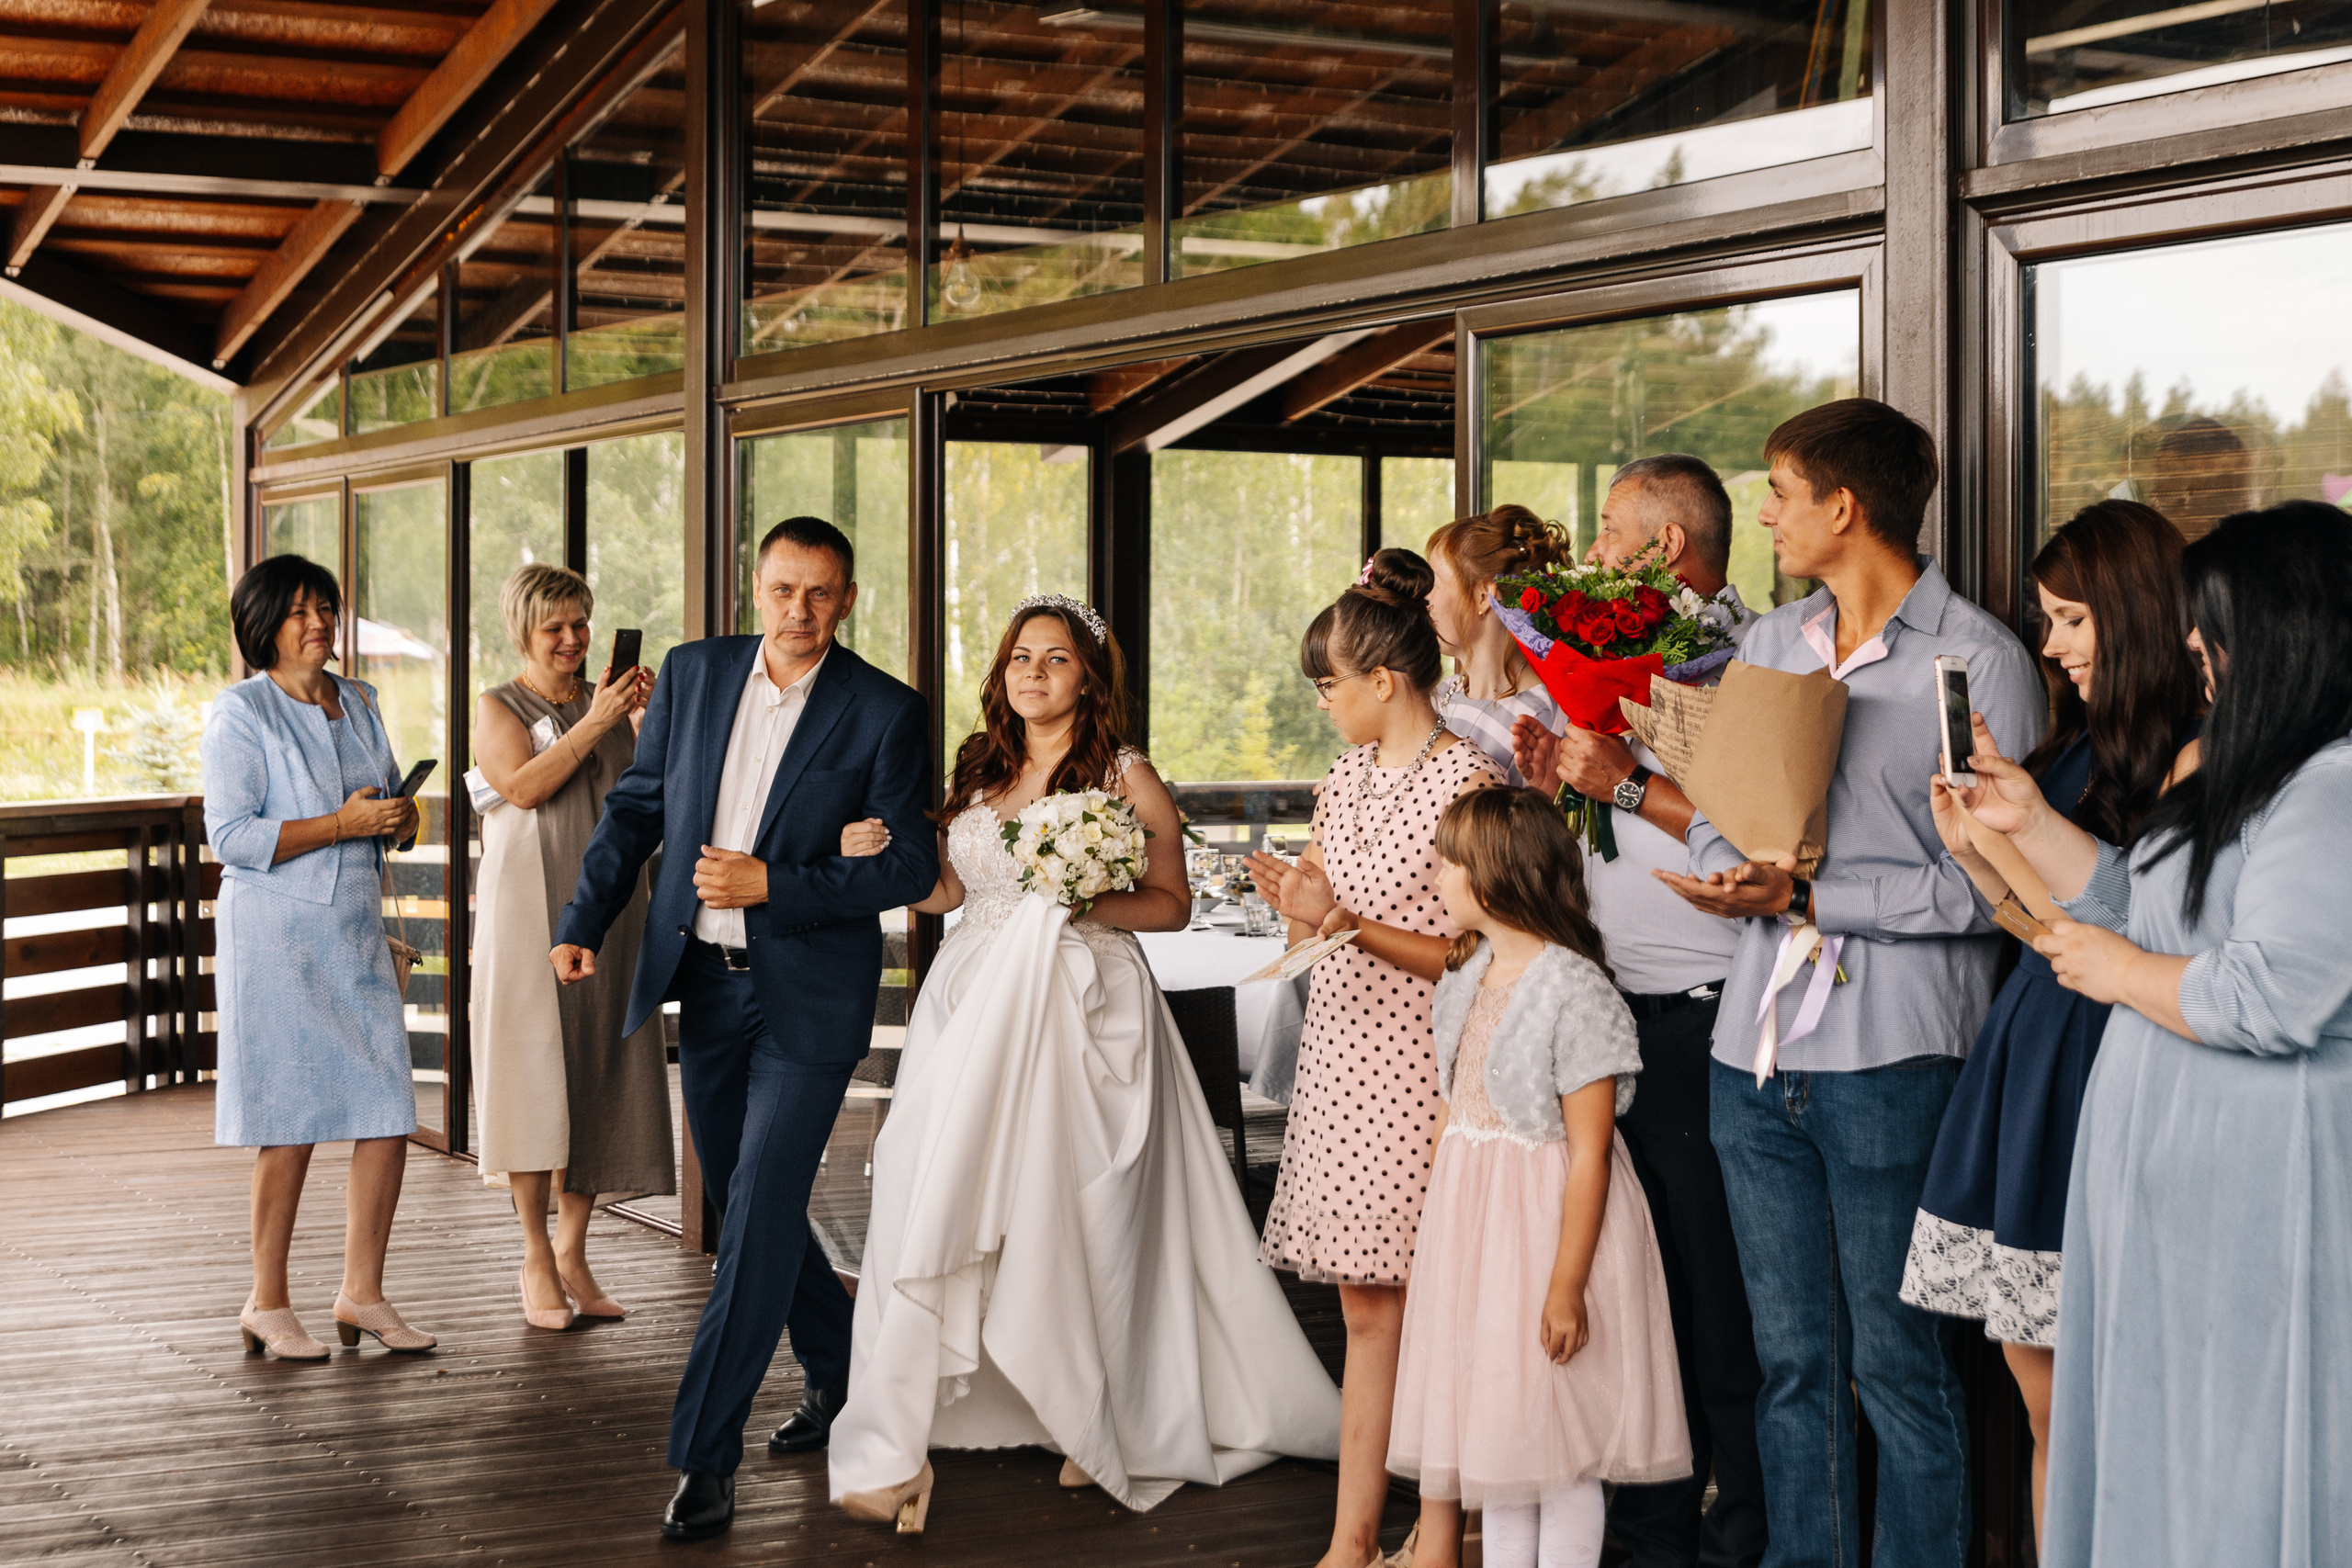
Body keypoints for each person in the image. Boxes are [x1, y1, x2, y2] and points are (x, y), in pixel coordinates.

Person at [823, 595, 1340, 1529]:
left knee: (1068, 1203)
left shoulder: (1125, 775)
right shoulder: (980, 768)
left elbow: (1170, 906)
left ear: (1089, 678)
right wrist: (882, 853)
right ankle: (982, 1392)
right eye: (1021, 656)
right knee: (931, 1175)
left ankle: (1093, 1411)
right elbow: (947, 888)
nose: (1033, 672)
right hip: (972, 1002)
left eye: (1055, 659)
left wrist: (1069, 903)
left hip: (1082, 1008)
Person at [1654, 400, 2044, 1568]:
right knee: (1791, 1366)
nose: (1762, 514)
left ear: (1843, 506)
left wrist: (1818, 901)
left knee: (1902, 1368)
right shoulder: (1770, 645)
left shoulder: (1979, 661)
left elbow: (2000, 891)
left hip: (1898, 1056)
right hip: (1752, 1055)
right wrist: (1731, 876)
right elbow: (1724, 818)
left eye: (1776, 491)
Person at [1955, 502, 2352, 1568]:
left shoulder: (2333, 791)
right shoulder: (2234, 765)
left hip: (2257, 1178)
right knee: (2161, 1429)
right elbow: (2139, 903)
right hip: (2170, 1178)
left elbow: (2275, 993)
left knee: (2235, 1441)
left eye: (2210, 625)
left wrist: (2118, 976)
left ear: (2286, 631)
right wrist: (2025, 821)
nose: (2189, 646)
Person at [548, 515, 940, 1542]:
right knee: (740, 1198)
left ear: (847, 598)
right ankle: (843, 1369)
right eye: (781, 591)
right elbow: (637, 809)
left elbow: (905, 869)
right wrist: (583, 919)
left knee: (757, 1212)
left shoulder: (885, 710)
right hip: (706, 987)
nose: (799, 611)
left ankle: (704, 1458)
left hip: (810, 999)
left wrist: (780, 885)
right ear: (752, 589)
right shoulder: (691, 672)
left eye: (819, 594)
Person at [1899, 501, 2200, 1545]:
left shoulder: (2193, 763)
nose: (2053, 644)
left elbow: (2139, 925)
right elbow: (2034, 925)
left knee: (2105, 1407)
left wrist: (2025, 830)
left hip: (2115, 1060)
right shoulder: (2070, 751)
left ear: (2137, 613)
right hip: (2038, 1044)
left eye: (2070, 618)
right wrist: (1975, 841)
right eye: (2045, 618)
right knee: (2042, 1403)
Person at [1513, 455, 1766, 1568]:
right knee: (1629, 1296)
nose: (1592, 546)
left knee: (1717, 1307)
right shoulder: (1605, 661)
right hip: (1609, 1015)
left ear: (1665, 547)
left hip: (1708, 1014)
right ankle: (1645, 1532)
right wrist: (1556, 777)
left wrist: (1620, 770)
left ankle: (1736, 1534)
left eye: (1609, 528)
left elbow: (1755, 824)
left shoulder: (1747, 662)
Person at [1243, 549, 1507, 1568]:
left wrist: (1337, 917)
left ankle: (1440, 1532)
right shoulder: (1343, 777)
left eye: (1329, 685)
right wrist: (1296, 910)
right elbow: (1322, 912)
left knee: (1433, 1305)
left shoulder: (1467, 779)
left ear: (1384, 682)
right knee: (1362, 1306)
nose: (1322, 704)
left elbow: (1474, 955)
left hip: (1424, 1068)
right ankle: (1352, 1543)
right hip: (1340, 1060)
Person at [1387, 787, 1690, 1568]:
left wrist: (1566, 1285)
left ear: (1494, 878)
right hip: (1475, 1235)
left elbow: (1589, 1152)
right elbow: (1454, 1112)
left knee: (1557, 1447)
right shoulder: (1467, 974)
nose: (1437, 876)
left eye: (1449, 863)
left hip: (1550, 1232)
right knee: (1505, 1448)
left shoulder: (1574, 987)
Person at [202, 553, 435, 1361]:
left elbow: (378, 808)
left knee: (387, 1113)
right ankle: (266, 1300)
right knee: (290, 1119)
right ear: (264, 625)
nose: (319, 623)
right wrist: (342, 824)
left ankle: (361, 1292)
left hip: (355, 930)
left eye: (326, 608)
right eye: (301, 611)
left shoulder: (360, 699)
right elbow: (229, 837)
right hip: (276, 938)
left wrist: (400, 816)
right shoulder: (242, 713)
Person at [471, 562, 668, 1331]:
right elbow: (522, 785)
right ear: (523, 630)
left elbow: (644, 793)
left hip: (607, 907)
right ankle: (532, 1253)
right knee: (532, 1071)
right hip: (526, 910)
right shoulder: (499, 706)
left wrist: (647, 722)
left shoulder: (609, 704)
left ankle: (574, 1247)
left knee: (601, 1063)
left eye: (580, 624)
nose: (572, 640)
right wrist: (596, 722)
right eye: (554, 627)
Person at [1423, 504, 1570, 784]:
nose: (1424, 597)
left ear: (1483, 596)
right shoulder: (1439, 695)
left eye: (1434, 581)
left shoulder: (1538, 719)